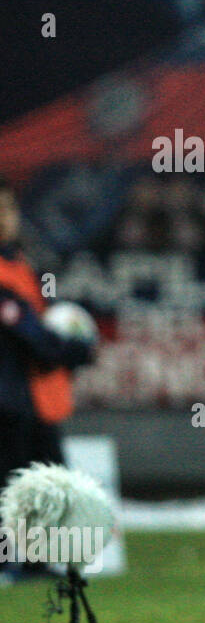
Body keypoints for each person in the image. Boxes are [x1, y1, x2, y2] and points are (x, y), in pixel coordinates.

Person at [0, 179, 95, 582]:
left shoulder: (22, 263)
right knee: (9, 483)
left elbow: (38, 325)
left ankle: (37, 562)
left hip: (34, 396)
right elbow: (30, 333)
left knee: (44, 480)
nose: (5, 219)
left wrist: (62, 346)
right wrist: (71, 349)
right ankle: (7, 562)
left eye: (8, 209)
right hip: (7, 398)